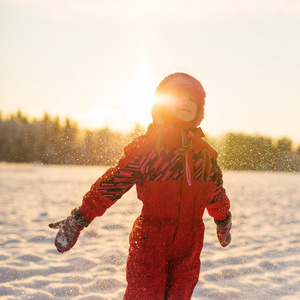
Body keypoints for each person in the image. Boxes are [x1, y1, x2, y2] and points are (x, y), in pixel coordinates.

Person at [49, 72, 232, 300]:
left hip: (191, 242)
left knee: (180, 293)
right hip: (151, 237)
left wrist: (223, 220)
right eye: (179, 97)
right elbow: (112, 184)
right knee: (144, 293)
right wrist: (80, 217)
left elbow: (215, 193)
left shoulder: (205, 155)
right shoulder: (149, 149)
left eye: (192, 100)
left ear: (199, 111)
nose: (186, 102)